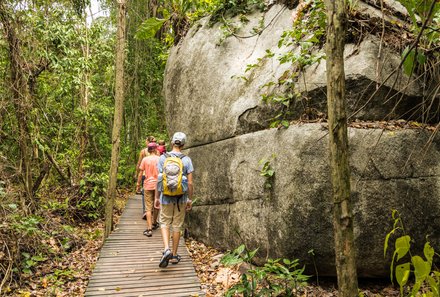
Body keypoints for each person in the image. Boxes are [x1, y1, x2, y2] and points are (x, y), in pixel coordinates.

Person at [154, 132, 193, 268]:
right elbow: (190, 183)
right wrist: (189, 199)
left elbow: (159, 179)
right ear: (183, 144)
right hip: (181, 198)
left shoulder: (163, 158)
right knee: (177, 225)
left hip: (165, 197)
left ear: (172, 142)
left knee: (164, 222)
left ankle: (166, 249)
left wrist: (156, 197)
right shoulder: (186, 160)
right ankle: (175, 255)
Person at [137, 142, 160, 237]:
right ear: (155, 149)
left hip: (147, 185)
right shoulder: (160, 159)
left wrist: (138, 184)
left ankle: (149, 228)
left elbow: (140, 173)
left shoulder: (145, 159)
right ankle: (155, 222)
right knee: (156, 203)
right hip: (158, 185)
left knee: (148, 207)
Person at [136, 136, 156, 218]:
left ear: (147, 141)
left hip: (145, 174)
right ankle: (153, 213)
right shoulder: (156, 152)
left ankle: (146, 211)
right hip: (155, 177)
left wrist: (137, 174)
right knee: (155, 196)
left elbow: (139, 163)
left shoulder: (143, 151)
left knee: (145, 194)